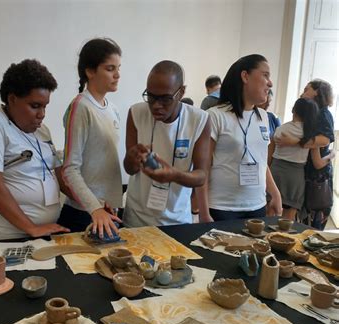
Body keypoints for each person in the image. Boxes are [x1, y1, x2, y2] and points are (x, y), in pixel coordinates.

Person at [0, 59, 70, 241]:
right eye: (35, 106)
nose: (42, 114)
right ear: (12, 99)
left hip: (41, 233)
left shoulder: (42, 131)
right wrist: (31, 228)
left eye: (45, 106)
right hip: (5, 237)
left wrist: (93, 204)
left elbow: (60, 176)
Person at [123, 61, 211, 227]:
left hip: (177, 221)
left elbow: (201, 176)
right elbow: (130, 169)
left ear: (181, 92)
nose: (156, 105)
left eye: (165, 99)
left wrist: (174, 175)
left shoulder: (199, 119)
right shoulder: (136, 113)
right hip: (136, 218)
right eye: (151, 97)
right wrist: (132, 158)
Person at [197, 54, 282, 222]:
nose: (270, 83)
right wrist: (203, 211)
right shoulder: (215, 116)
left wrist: (275, 193)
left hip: (257, 206)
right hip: (222, 208)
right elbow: (202, 168)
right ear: (245, 76)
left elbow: (260, 161)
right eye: (265, 75)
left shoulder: (263, 117)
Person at [58, 38, 123, 237]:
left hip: (107, 211)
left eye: (119, 68)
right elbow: (69, 169)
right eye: (110, 68)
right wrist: (94, 209)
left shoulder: (112, 109)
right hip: (85, 214)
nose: (117, 75)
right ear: (90, 71)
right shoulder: (81, 107)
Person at [276, 79, 335, 229]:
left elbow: (324, 139)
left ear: (317, 92)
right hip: (309, 168)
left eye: (307, 88)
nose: (302, 92)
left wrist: (294, 141)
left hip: (318, 175)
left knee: (312, 218)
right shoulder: (312, 114)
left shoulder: (323, 113)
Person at [270, 98, 319, 220]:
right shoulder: (310, 134)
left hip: (276, 171)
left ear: (293, 110)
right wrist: (331, 156)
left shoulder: (281, 129)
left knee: (270, 212)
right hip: (296, 175)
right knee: (289, 219)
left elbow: (269, 155)